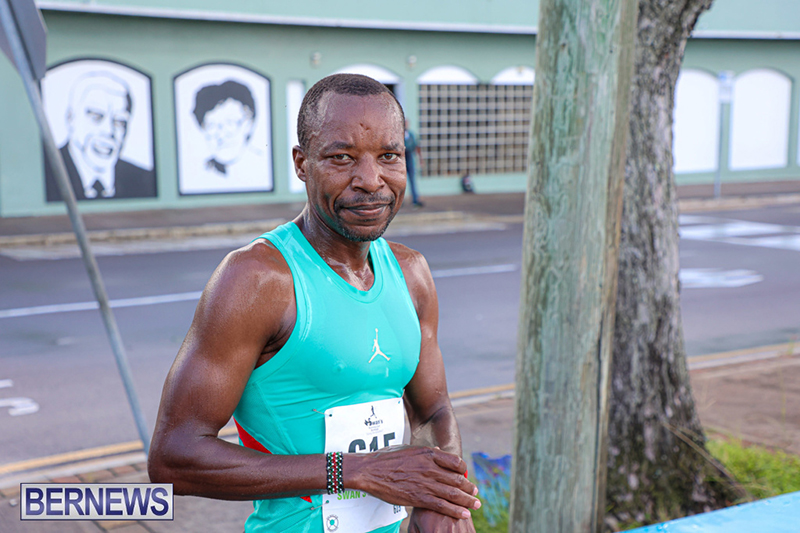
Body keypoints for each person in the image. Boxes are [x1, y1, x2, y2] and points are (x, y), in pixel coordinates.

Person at [149, 73, 480, 533]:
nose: (370, 181)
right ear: (302, 164)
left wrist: (441, 498)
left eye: (388, 156)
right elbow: (174, 458)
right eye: (342, 158)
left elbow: (433, 411)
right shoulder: (257, 279)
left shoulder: (412, 274)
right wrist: (355, 471)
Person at [45, 71, 156, 201]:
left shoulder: (142, 180)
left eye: (119, 122)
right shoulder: (45, 174)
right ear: (71, 119)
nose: (109, 131)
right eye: (96, 116)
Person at [192, 80, 258, 176]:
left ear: (248, 124)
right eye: (211, 126)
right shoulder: (199, 172)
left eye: (230, 123)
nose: (221, 135)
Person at [404, 120, 424, 207]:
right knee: (401, 180)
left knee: (412, 179)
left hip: (410, 158)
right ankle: (400, 201)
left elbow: (416, 147)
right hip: (402, 158)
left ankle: (415, 199)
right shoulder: (397, 134)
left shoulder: (411, 134)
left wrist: (420, 159)